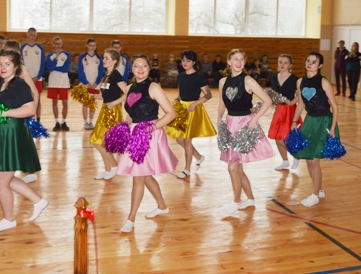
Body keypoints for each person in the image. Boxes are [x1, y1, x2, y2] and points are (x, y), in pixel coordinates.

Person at [0, 49, 48, 232]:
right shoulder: (1, 84)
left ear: (16, 66)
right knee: (5, 179)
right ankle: (38, 201)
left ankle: (9, 219)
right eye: (0, 64)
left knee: (0, 182)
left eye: (7, 64)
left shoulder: (19, 85)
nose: (3, 67)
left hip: (12, 134)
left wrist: (3, 113)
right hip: (4, 134)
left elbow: (30, 109)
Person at [117, 54, 177, 233]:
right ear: (132, 69)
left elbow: (171, 113)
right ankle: (162, 206)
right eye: (137, 66)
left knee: (138, 177)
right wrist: (124, 127)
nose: (140, 69)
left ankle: (131, 219)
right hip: (135, 133)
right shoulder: (129, 88)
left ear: (149, 68)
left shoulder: (153, 87)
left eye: (144, 65)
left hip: (150, 134)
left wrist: (151, 128)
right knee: (145, 175)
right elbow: (132, 113)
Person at [217, 49, 274, 216]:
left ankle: (236, 202)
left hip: (244, 124)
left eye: (242, 59)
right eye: (235, 59)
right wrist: (219, 118)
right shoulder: (223, 81)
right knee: (238, 167)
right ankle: (250, 199)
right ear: (229, 62)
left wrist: (254, 120)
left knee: (232, 167)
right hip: (230, 124)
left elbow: (267, 100)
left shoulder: (248, 80)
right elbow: (222, 102)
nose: (239, 62)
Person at [290, 52, 340, 207]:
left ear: (320, 65)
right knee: (308, 158)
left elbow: (335, 107)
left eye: (314, 62)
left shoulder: (324, 82)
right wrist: (294, 121)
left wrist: (332, 127)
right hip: (310, 121)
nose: (310, 63)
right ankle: (319, 189)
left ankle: (314, 195)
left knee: (314, 160)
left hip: (324, 121)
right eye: (308, 60)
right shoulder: (300, 82)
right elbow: (301, 104)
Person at [166, 50, 215, 178]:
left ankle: (187, 169)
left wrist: (195, 104)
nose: (185, 63)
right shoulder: (180, 76)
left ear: (193, 62)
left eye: (188, 60)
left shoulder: (198, 77)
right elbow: (180, 92)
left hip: (193, 110)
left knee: (187, 140)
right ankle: (199, 157)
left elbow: (208, 95)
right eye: (183, 60)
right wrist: (177, 99)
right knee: (179, 139)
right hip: (182, 109)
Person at [89, 48, 128, 180]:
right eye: (103, 57)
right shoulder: (106, 75)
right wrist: (92, 96)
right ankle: (108, 170)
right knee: (102, 142)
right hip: (105, 109)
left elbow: (127, 94)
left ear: (114, 61)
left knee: (97, 142)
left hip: (112, 111)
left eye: (107, 58)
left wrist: (113, 103)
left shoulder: (116, 75)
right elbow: (104, 96)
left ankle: (115, 166)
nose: (103, 60)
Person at [267, 54, 301, 171]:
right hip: (278, 110)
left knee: (285, 138)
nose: (282, 64)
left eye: (285, 63)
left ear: (290, 65)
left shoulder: (294, 79)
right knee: (277, 137)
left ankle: (296, 156)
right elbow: (273, 94)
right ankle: (285, 161)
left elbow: (300, 95)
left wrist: (291, 102)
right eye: (280, 62)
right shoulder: (274, 78)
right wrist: (273, 102)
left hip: (289, 111)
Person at [21, 27, 46, 122]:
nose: (33, 37)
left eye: (35, 35)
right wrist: (25, 77)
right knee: (26, 99)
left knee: (37, 99)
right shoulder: (22, 47)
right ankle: (27, 119)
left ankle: (38, 120)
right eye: (31, 35)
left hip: (37, 79)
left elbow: (43, 63)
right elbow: (21, 63)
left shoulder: (40, 48)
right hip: (26, 79)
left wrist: (38, 76)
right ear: (27, 34)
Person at [46, 36, 71, 132]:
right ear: (53, 44)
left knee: (65, 103)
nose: (58, 45)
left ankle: (64, 122)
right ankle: (56, 122)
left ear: (62, 44)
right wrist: (56, 57)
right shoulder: (50, 56)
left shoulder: (66, 54)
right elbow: (50, 67)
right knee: (54, 102)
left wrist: (54, 68)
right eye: (56, 44)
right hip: (53, 82)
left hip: (63, 81)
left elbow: (65, 69)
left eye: (60, 43)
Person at [78, 38, 103, 130]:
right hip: (85, 84)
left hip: (95, 84)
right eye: (90, 45)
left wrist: (96, 82)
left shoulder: (99, 58)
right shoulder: (82, 57)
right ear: (87, 46)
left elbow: (101, 71)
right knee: (85, 103)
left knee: (92, 102)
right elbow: (80, 71)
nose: (92, 47)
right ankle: (85, 122)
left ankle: (91, 121)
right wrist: (86, 82)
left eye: (94, 45)